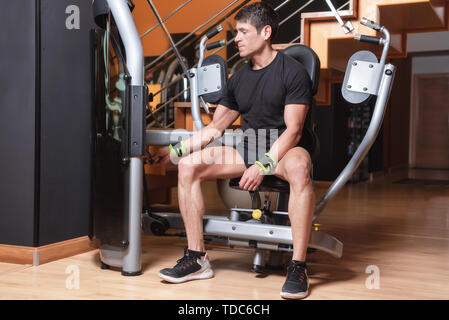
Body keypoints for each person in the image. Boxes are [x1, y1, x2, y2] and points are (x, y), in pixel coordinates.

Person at [152, 2, 315, 299]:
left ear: (265, 32)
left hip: (286, 148)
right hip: (251, 144)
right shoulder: (239, 78)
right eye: (236, 32)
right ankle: (196, 258)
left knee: (299, 169)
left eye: (242, 31)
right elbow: (215, 129)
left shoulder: (293, 72)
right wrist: (174, 152)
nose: (236, 38)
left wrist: (263, 165)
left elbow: (294, 130)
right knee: (188, 166)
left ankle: (298, 266)